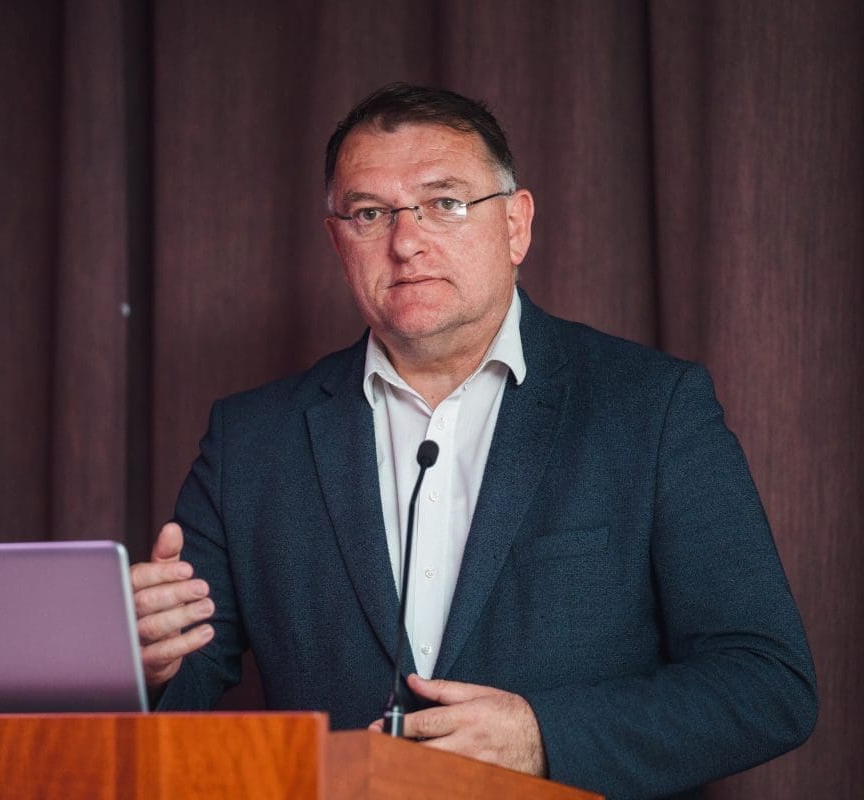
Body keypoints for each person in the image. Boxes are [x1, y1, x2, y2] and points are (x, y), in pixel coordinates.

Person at [130, 83, 817, 799]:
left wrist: (543, 737)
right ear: (338, 242)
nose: (406, 242)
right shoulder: (252, 441)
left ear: (516, 225)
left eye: (445, 203)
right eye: (370, 214)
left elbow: (768, 683)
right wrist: (142, 665)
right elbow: (181, 693)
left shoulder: (651, 407)